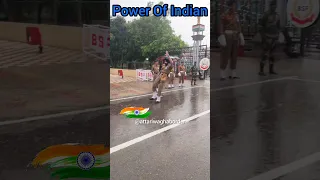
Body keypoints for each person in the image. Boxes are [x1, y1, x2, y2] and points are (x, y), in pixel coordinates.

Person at [218, 0, 245, 80]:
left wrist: (240, 35)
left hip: (235, 37)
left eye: (235, 6)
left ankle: (233, 73)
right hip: (227, 36)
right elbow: (221, 26)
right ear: (229, 6)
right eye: (233, 6)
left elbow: (238, 25)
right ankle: (222, 73)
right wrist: (222, 35)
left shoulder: (236, 15)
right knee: (225, 55)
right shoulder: (224, 15)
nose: (234, 7)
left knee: (234, 56)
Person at [259, 0, 280, 76]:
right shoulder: (266, 15)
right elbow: (260, 26)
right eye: (272, 5)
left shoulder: (277, 15)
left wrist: (277, 35)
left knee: (272, 55)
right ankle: (261, 70)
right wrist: (263, 37)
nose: (273, 6)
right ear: (270, 6)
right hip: (267, 37)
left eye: (275, 5)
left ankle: (271, 70)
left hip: (274, 38)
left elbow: (278, 26)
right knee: (264, 54)